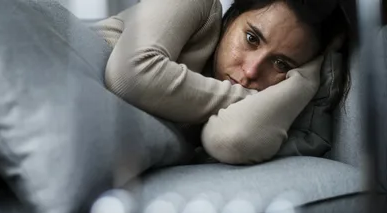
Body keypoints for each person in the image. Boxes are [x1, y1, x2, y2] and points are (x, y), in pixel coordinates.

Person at [92, 0, 350, 164]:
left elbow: (231, 139)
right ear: (234, 15)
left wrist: (305, 80)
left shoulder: (229, 113)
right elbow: (129, 75)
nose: (250, 71)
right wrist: (252, 99)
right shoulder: (196, 5)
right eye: (251, 38)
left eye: (282, 64)